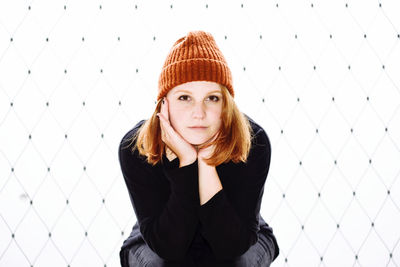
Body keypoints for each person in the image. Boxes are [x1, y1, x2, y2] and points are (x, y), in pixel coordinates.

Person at [118, 30, 279, 267]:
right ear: (164, 103)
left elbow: (231, 246)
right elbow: (169, 247)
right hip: (158, 233)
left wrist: (206, 164)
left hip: (239, 229)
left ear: (226, 104)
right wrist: (186, 163)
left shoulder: (254, 142)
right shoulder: (136, 147)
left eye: (212, 98)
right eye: (185, 97)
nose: (199, 113)